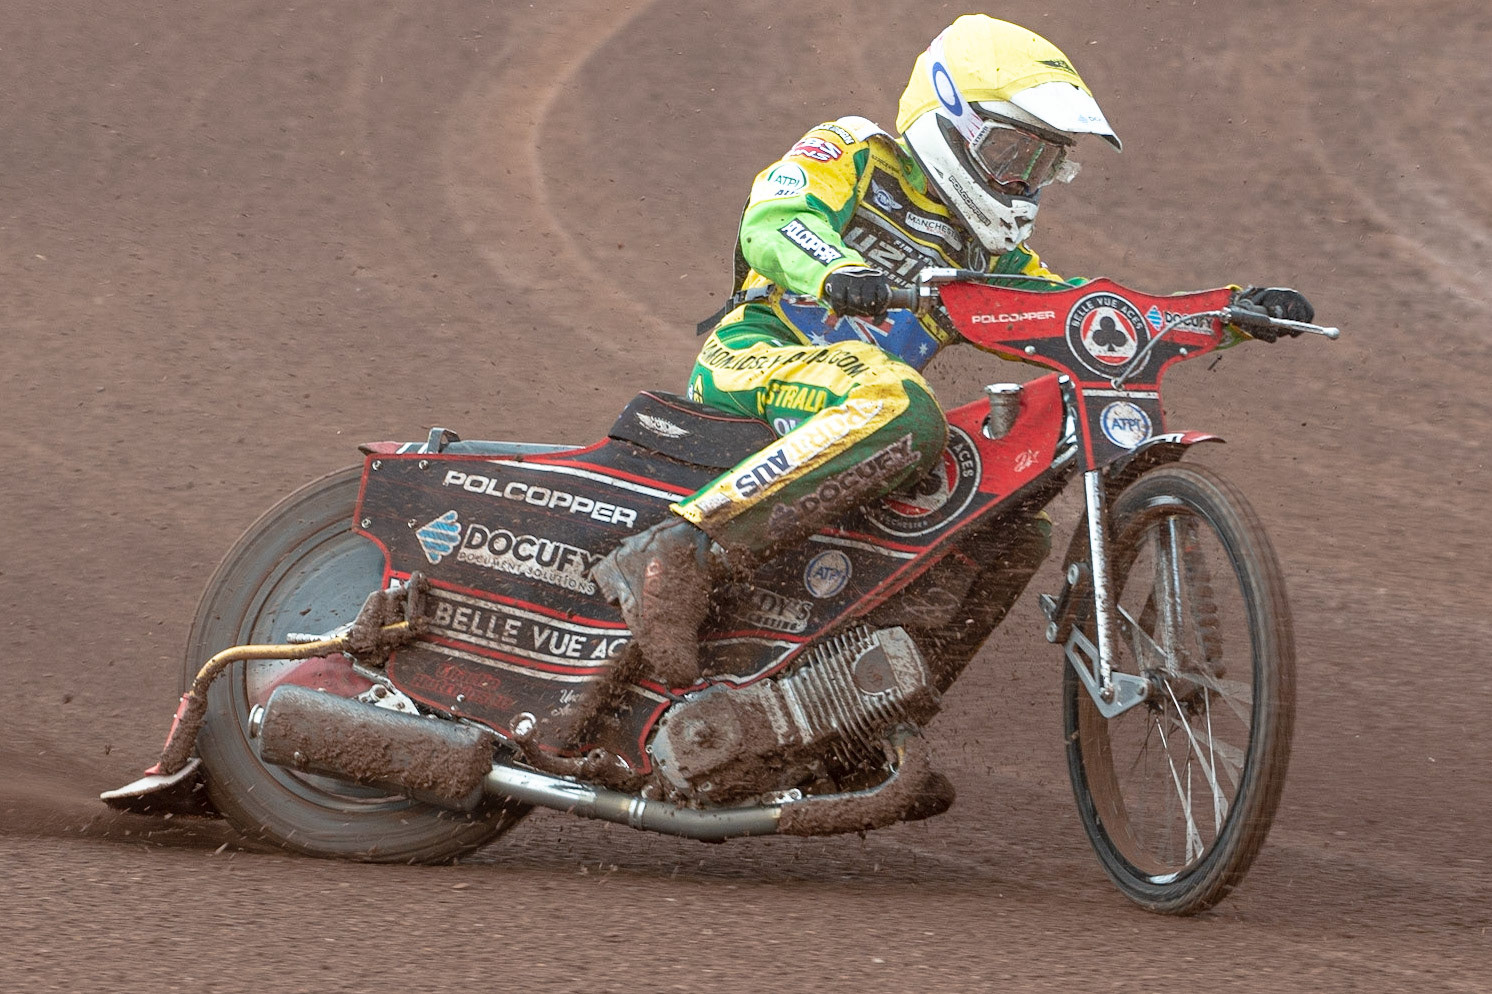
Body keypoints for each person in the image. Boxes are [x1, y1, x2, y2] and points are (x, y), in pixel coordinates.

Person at [593, 13, 1312, 688]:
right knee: (904, 407)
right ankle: (676, 553)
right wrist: (838, 271)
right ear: (948, 120)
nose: (1019, 180)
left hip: (860, 419)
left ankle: (871, 700)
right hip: (756, 360)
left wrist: (1230, 311)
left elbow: (1087, 315)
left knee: (1007, 517)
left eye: (1042, 163)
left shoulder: (986, 255)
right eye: (1010, 152)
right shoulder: (855, 152)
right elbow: (775, 220)